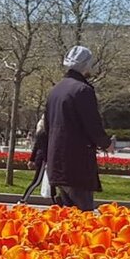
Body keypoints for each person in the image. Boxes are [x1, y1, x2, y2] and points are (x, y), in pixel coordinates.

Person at [45, 46, 112, 211]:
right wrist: (106, 143)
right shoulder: (83, 90)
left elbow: (47, 127)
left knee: (66, 215)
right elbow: (92, 124)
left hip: (57, 163)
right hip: (77, 164)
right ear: (86, 65)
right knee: (83, 214)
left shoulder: (55, 90)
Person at [21, 116, 48, 203]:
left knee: (54, 182)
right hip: (43, 160)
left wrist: (31, 160)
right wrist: (47, 161)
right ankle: (23, 200)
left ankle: (57, 202)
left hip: (42, 159)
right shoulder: (44, 133)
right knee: (37, 181)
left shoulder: (41, 132)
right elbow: (44, 149)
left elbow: (35, 147)